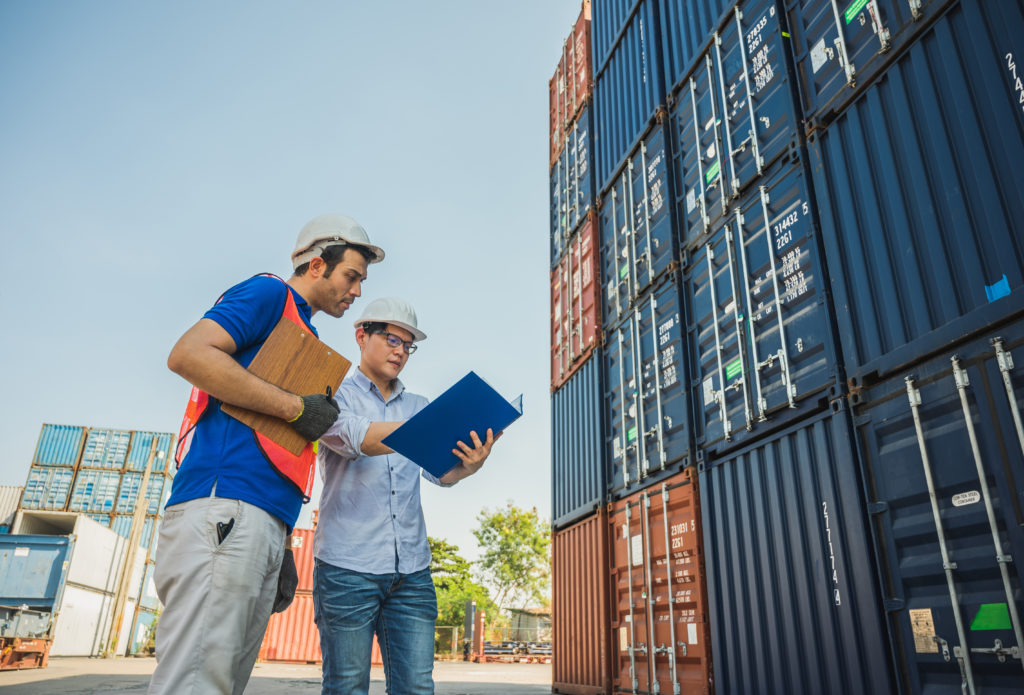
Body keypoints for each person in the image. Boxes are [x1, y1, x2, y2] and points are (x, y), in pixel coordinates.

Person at [149, 214, 385, 695]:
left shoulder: (306, 341)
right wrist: (296, 408)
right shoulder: (269, 294)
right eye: (352, 276)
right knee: (196, 682)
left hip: (257, 520)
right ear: (317, 264)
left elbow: (283, 444)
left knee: (222, 683)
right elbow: (188, 355)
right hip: (223, 504)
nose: (357, 291)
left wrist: (281, 540)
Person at [313, 297, 498, 695]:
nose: (400, 350)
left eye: (408, 345)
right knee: (345, 687)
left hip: (412, 574)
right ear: (361, 335)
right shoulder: (333, 397)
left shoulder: (419, 406)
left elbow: (439, 473)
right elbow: (354, 439)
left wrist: (470, 464)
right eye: (392, 339)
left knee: (415, 688)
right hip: (347, 568)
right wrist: (424, 430)